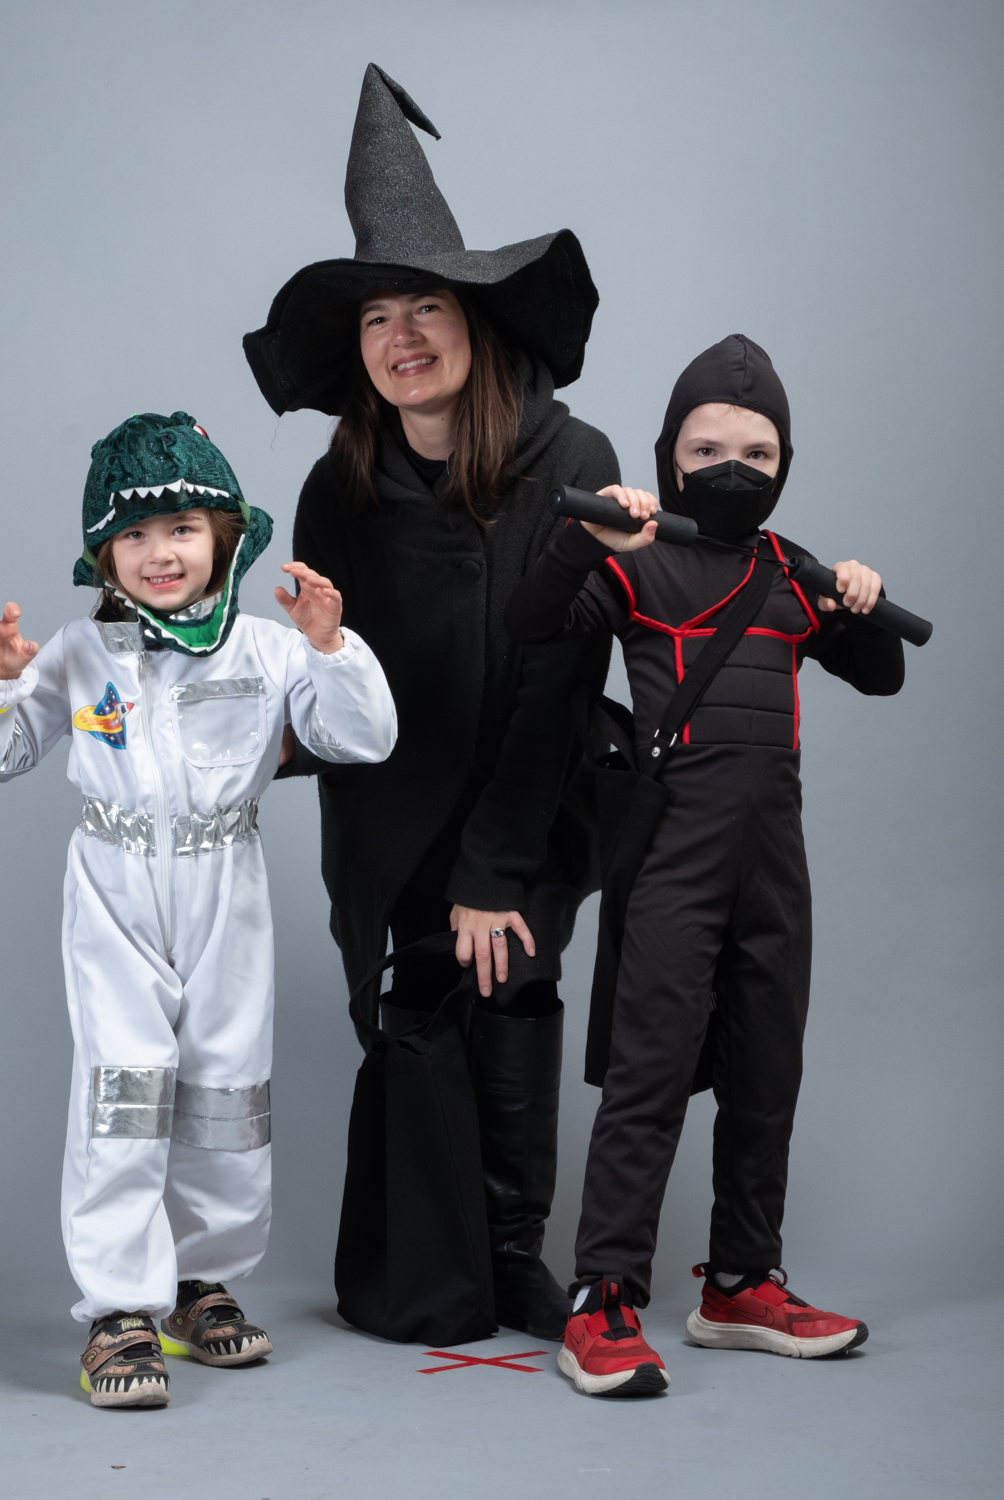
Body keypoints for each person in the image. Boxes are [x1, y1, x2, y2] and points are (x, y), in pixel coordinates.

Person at [243, 64, 618, 1340]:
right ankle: (435, 1253)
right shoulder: (336, 484)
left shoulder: (571, 461)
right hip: (388, 810)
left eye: (424, 307)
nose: (400, 337)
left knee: (509, 982)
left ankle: (511, 1252)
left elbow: (558, 683)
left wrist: (497, 870)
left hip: (525, 794)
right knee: (412, 1010)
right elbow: (323, 670)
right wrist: (252, 736)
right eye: (375, 318)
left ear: (474, 321)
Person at [0, 411, 396, 1408]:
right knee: (125, 1089)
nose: (161, 553)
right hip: (115, 892)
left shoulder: (268, 650)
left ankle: (202, 1284)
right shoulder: (81, 650)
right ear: (103, 553)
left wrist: (329, 647)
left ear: (224, 536)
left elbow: (362, 739)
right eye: (136, 535)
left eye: (183, 529)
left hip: (224, 887)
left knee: (227, 1091)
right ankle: (118, 1309)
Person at [504, 334, 905, 1395]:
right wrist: (582, 542)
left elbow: (881, 676)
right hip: (671, 861)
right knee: (649, 1080)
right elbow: (529, 626)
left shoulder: (791, 574)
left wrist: (862, 598)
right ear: (669, 457)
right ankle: (601, 1300)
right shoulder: (635, 560)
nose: (733, 467)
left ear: (783, 464)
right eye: (706, 449)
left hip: (774, 868)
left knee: (767, 1076)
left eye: (757, 452)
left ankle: (739, 1284)